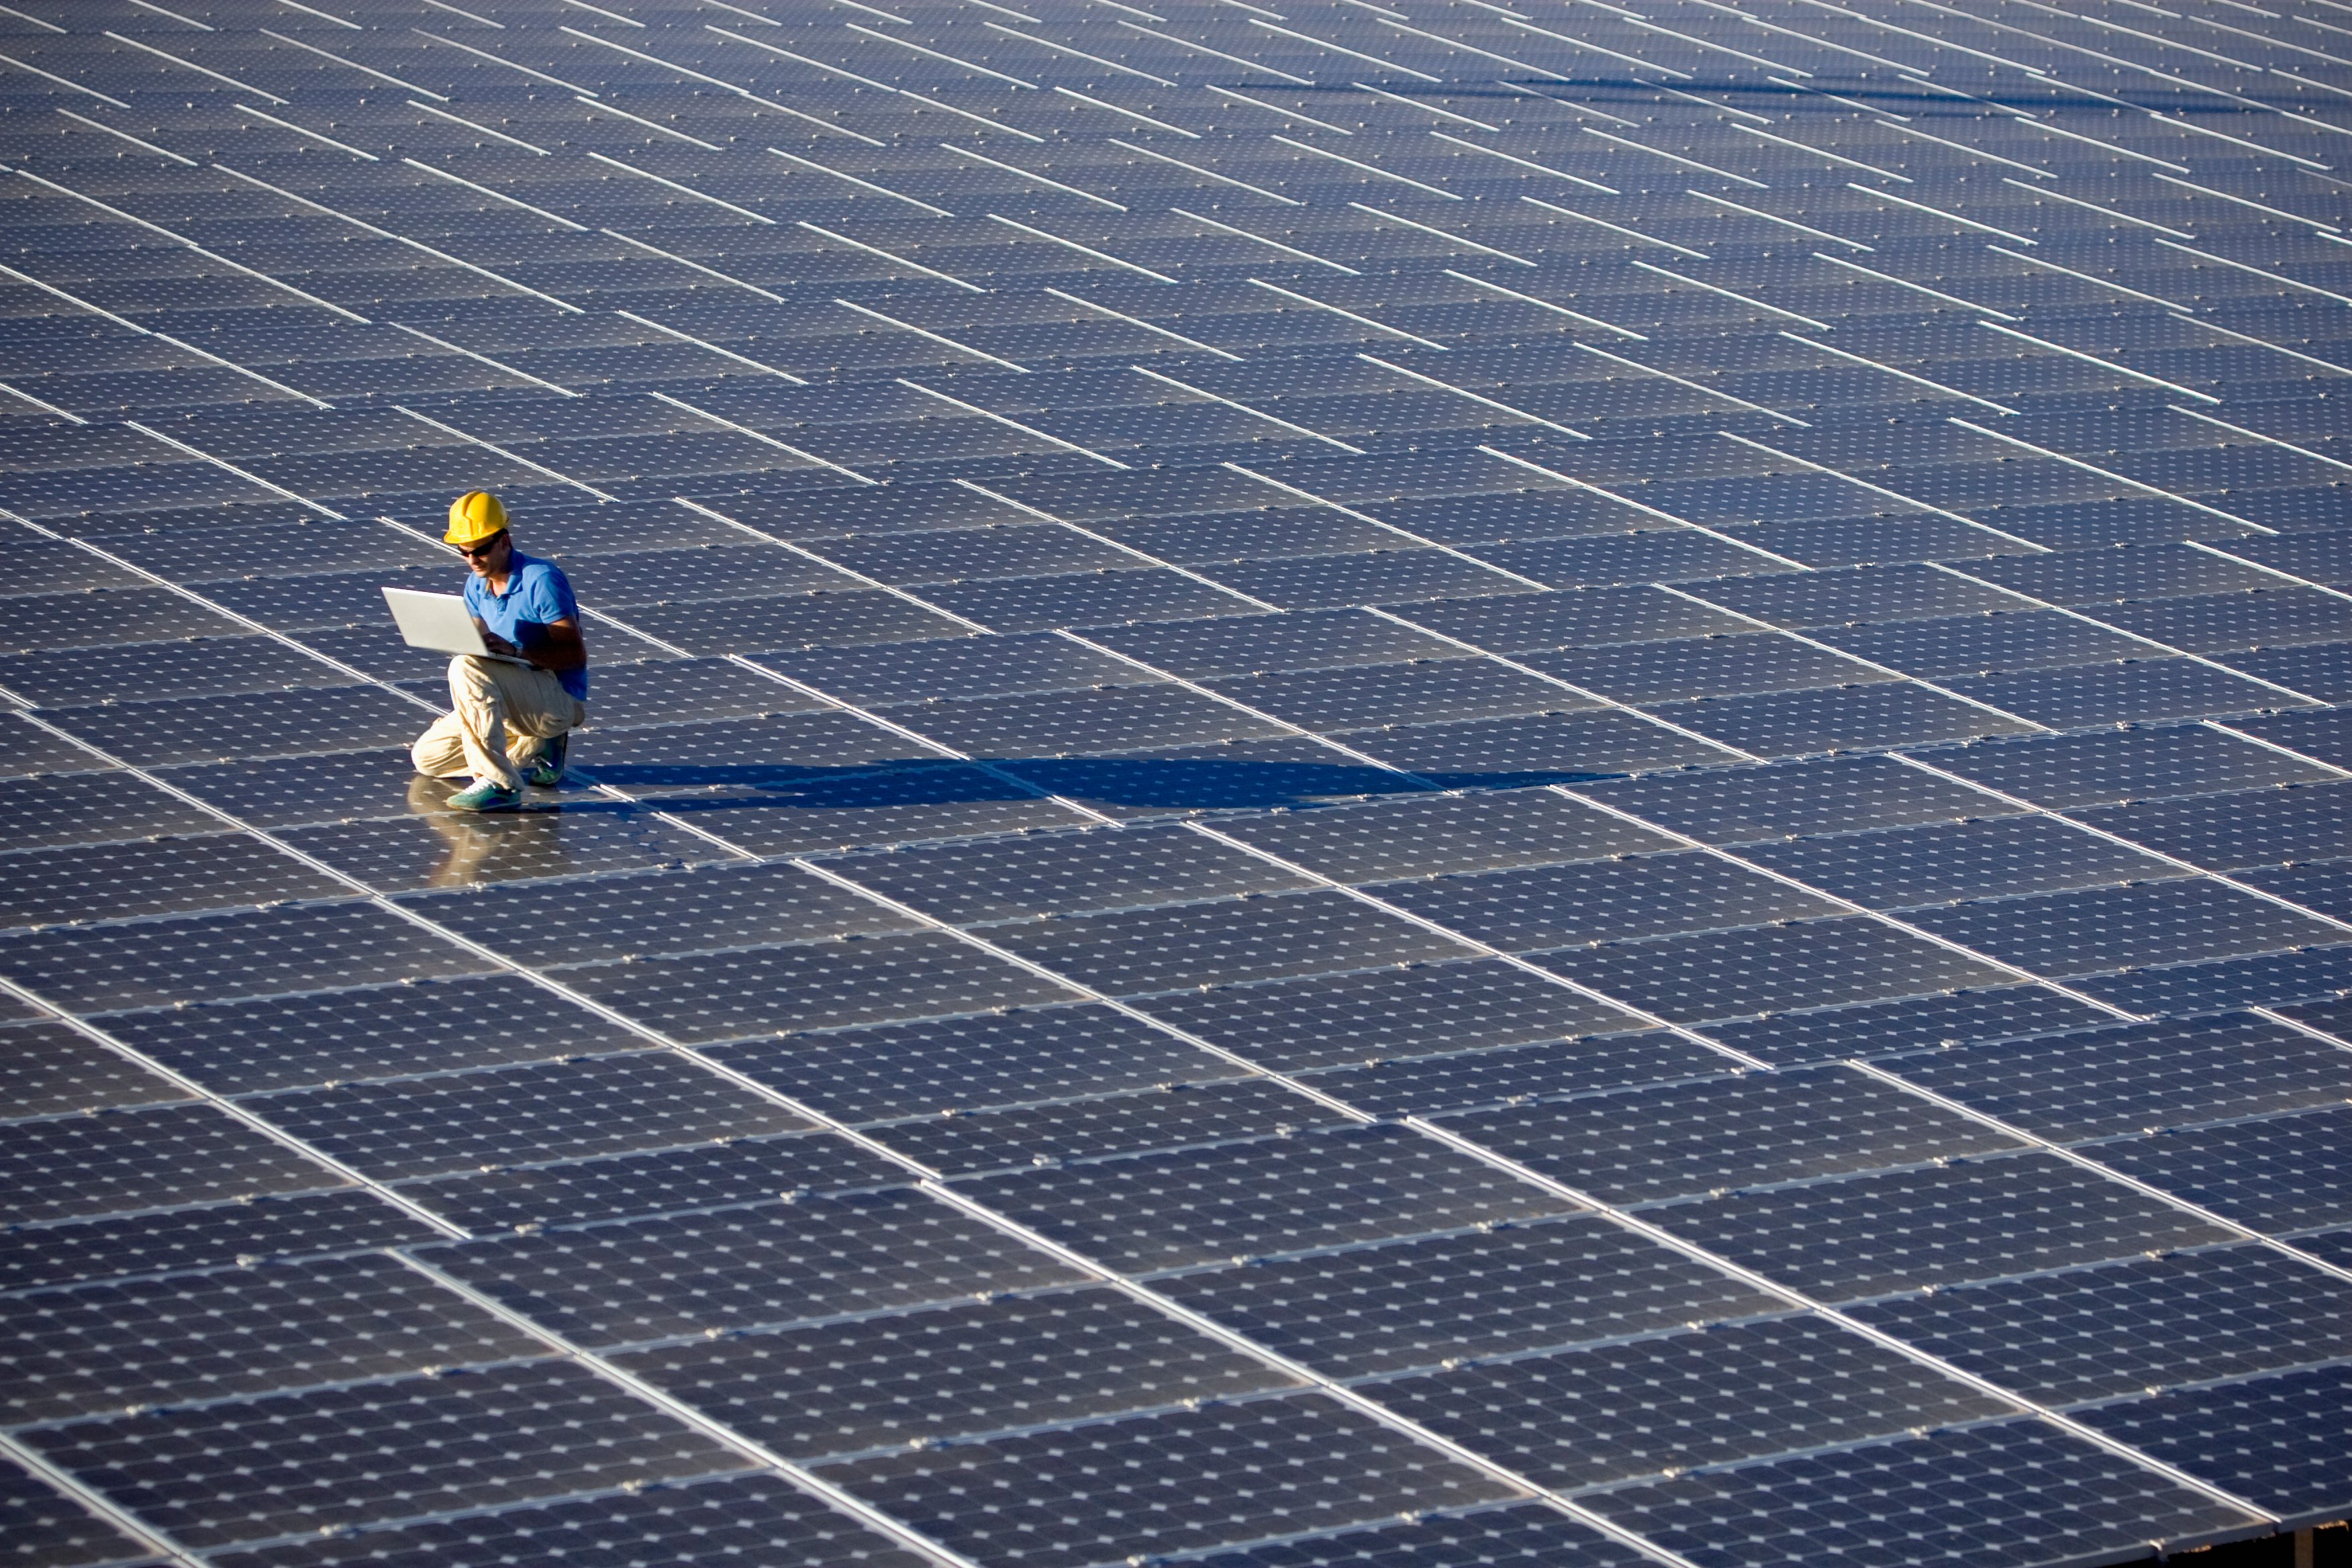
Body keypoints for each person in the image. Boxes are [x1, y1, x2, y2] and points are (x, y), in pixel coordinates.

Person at [409, 491, 589, 813]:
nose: (472, 559)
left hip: (553, 700)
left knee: (464, 667)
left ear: (504, 541)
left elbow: (574, 656)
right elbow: (478, 649)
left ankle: (500, 784)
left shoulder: (542, 579)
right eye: (463, 552)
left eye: (480, 550)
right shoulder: (476, 585)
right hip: (507, 701)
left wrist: (518, 652)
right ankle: (532, 746)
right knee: (427, 758)